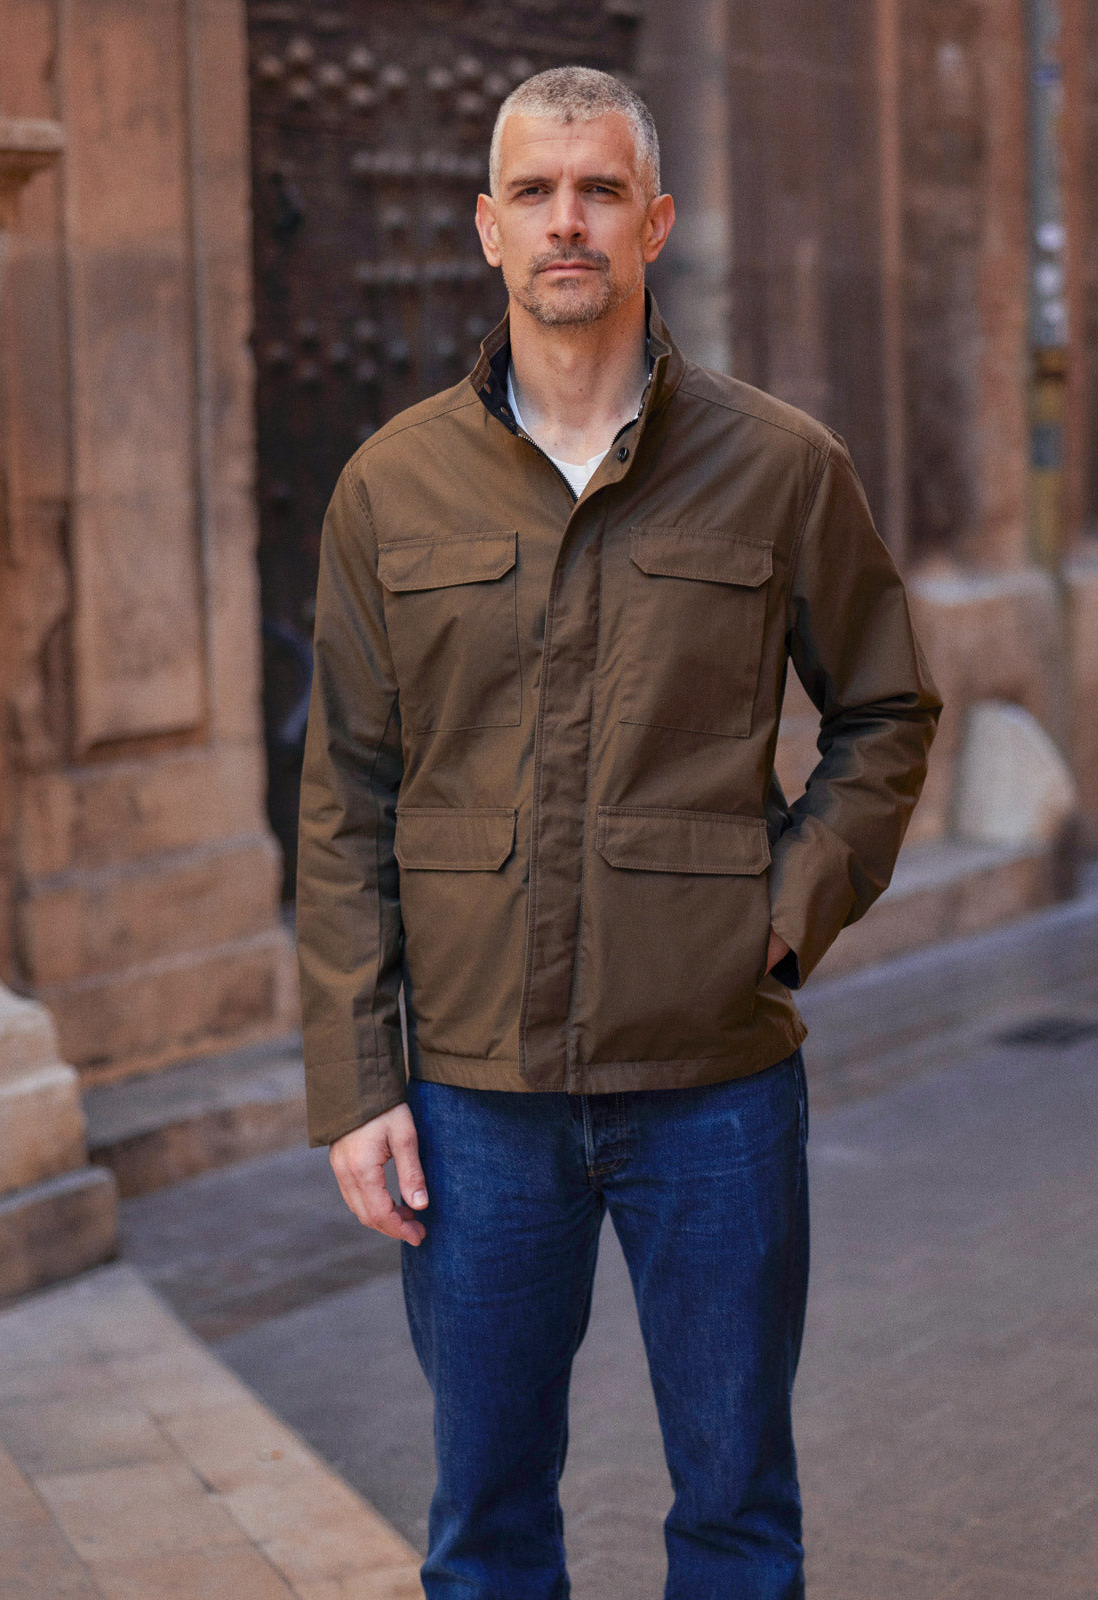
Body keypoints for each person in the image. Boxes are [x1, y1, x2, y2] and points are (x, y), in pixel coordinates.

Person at [296, 64, 941, 1600]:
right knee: (486, 1522)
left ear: (655, 222)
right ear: (487, 228)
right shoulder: (392, 486)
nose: (566, 221)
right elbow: (346, 799)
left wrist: (779, 914)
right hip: (474, 1099)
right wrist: (357, 1083)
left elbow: (886, 712)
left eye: (599, 191)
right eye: (535, 192)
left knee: (735, 1508)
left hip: (714, 1085)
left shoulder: (780, 467)